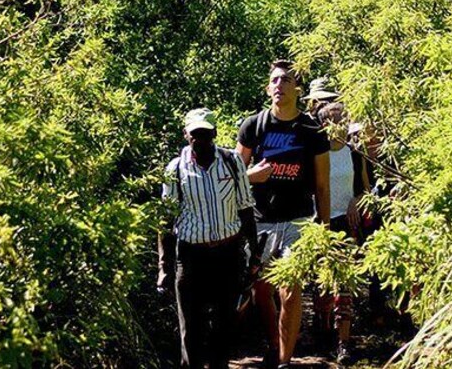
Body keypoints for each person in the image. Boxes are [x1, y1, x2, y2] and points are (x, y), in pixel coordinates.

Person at [236, 60, 331, 369]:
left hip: (299, 220)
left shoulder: (312, 129)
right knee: (262, 290)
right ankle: (276, 345)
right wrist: (252, 175)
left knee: (290, 289)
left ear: (297, 89)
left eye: (286, 80)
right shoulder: (253, 125)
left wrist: (325, 232)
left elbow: (321, 184)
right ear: (268, 88)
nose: (279, 85)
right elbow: (234, 175)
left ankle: (285, 361)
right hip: (260, 220)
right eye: (275, 80)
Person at [157, 108, 260, 369]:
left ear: (214, 133)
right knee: (191, 328)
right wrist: (163, 267)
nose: (200, 139)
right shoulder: (175, 169)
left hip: (228, 254)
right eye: (194, 134)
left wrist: (254, 253)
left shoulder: (232, 161)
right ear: (186, 134)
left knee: (224, 325)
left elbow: (246, 208)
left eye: (205, 133)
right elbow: (166, 221)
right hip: (191, 256)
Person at [314, 102, 370, 365]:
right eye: (335, 119)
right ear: (324, 123)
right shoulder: (316, 153)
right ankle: (321, 330)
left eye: (343, 119)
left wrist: (355, 201)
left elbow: (367, 191)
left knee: (344, 283)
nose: (341, 124)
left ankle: (343, 342)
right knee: (321, 282)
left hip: (346, 224)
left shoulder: (354, 153)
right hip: (319, 223)